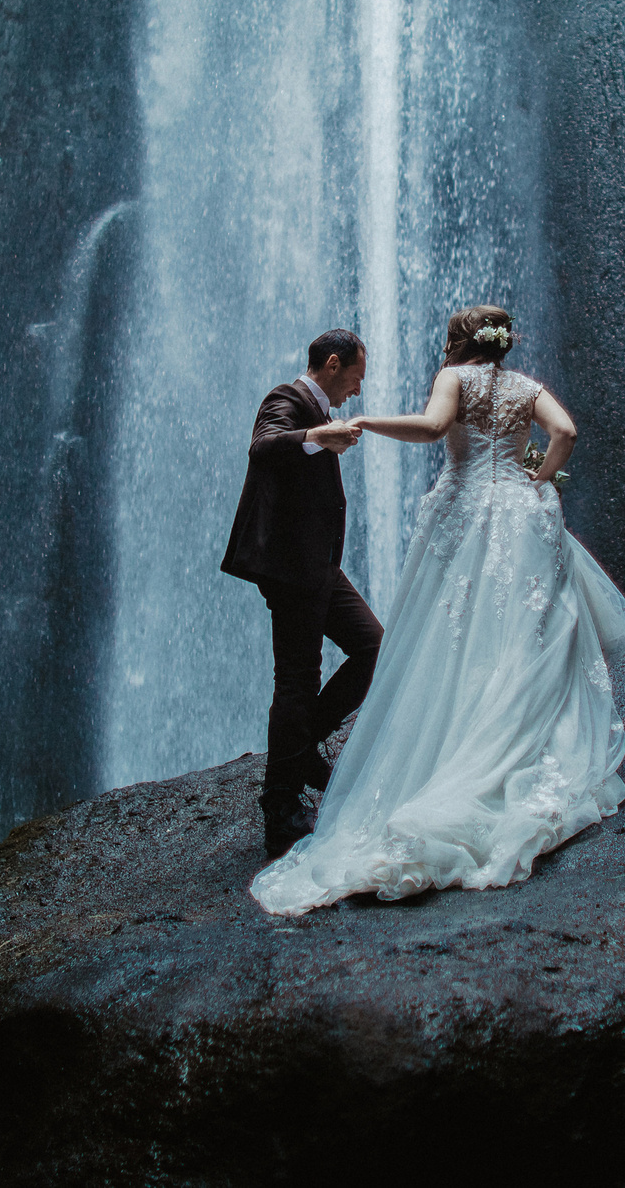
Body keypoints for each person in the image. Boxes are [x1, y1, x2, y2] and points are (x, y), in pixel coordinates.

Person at [248, 305, 625, 915]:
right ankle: (296, 773)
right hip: (514, 513)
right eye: (358, 373)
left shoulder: (454, 381)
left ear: (460, 343)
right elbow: (565, 431)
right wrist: (538, 477)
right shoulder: (525, 387)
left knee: (438, 632)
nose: (362, 383)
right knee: (522, 626)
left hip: (458, 515)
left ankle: (322, 755)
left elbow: (435, 429)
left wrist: (369, 422)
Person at [220, 329, 383, 859]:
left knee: (373, 646)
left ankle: (301, 746)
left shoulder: (315, 410)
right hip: (291, 571)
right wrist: (318, 437)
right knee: (296, 681)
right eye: (356, 377)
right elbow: (263, 447)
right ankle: (281, 809)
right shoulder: (285, 400)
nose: (357, 391)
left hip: (317, 568)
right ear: (332, 364)